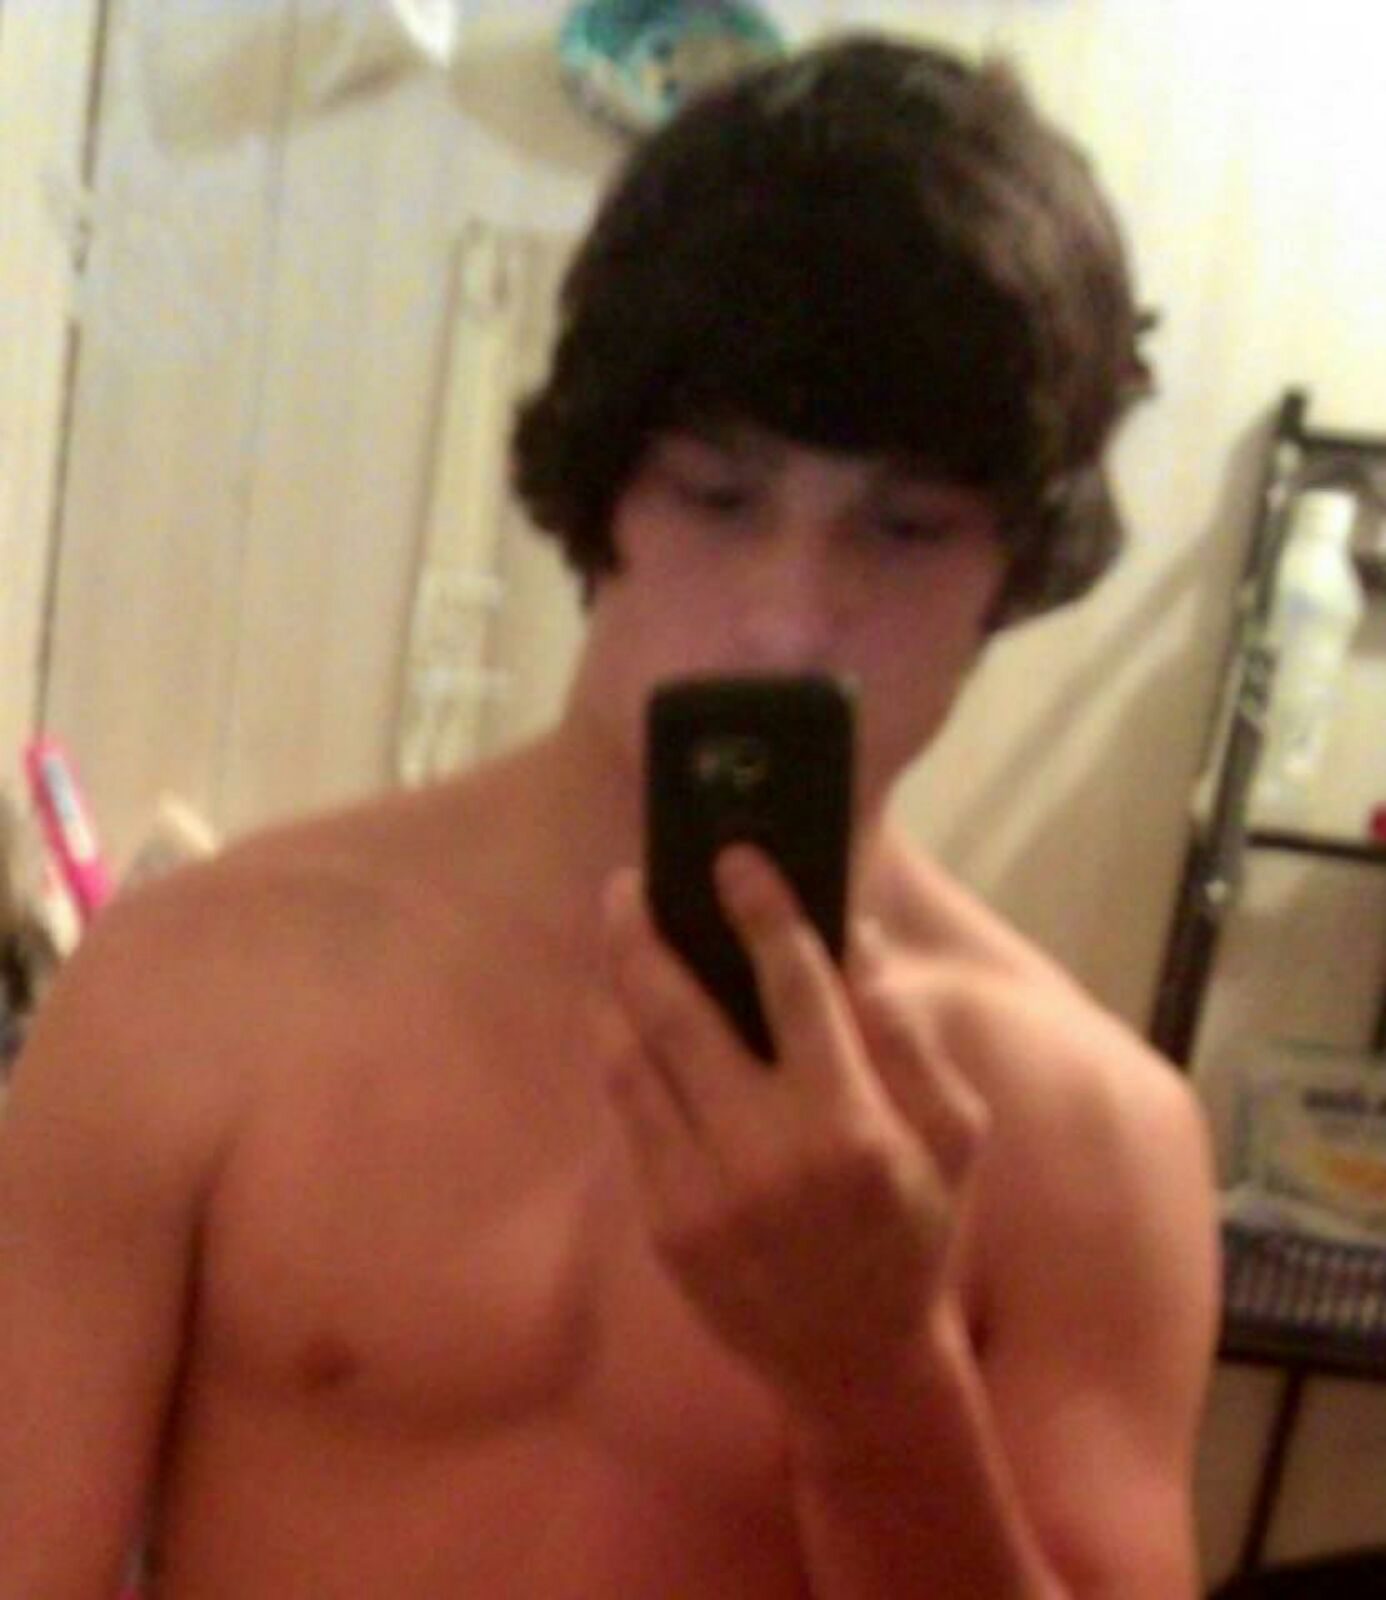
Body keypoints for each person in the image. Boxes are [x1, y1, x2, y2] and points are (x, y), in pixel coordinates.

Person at [0, 33, 1218, 1599]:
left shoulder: (1090, 1144)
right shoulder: (196, 986)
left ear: (1018, 565)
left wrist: (876, 1381)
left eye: (906, 529)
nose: (792, 616)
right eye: (719, 497)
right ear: (601, 492)